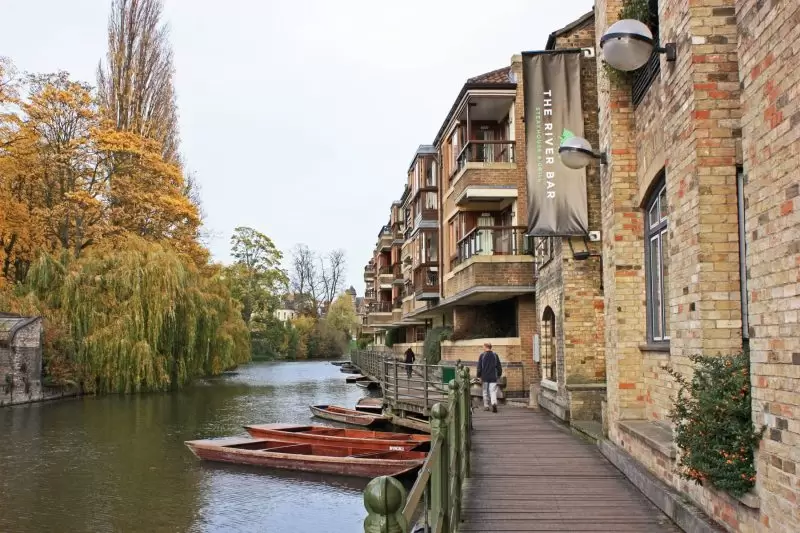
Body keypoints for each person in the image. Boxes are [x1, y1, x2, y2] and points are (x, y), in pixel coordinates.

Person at [476, 342, 502, 412]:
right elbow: (499, 366)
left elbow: (479, 367)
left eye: (483, 347)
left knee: (485, 392)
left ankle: (486, 406)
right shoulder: (495, 355)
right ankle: (494, 403)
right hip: (493, 377)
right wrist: (499, 374)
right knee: (493, 391)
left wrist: (478, 376)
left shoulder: (482, 355)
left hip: (485, 377)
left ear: (486, 347)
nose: (483, 348)